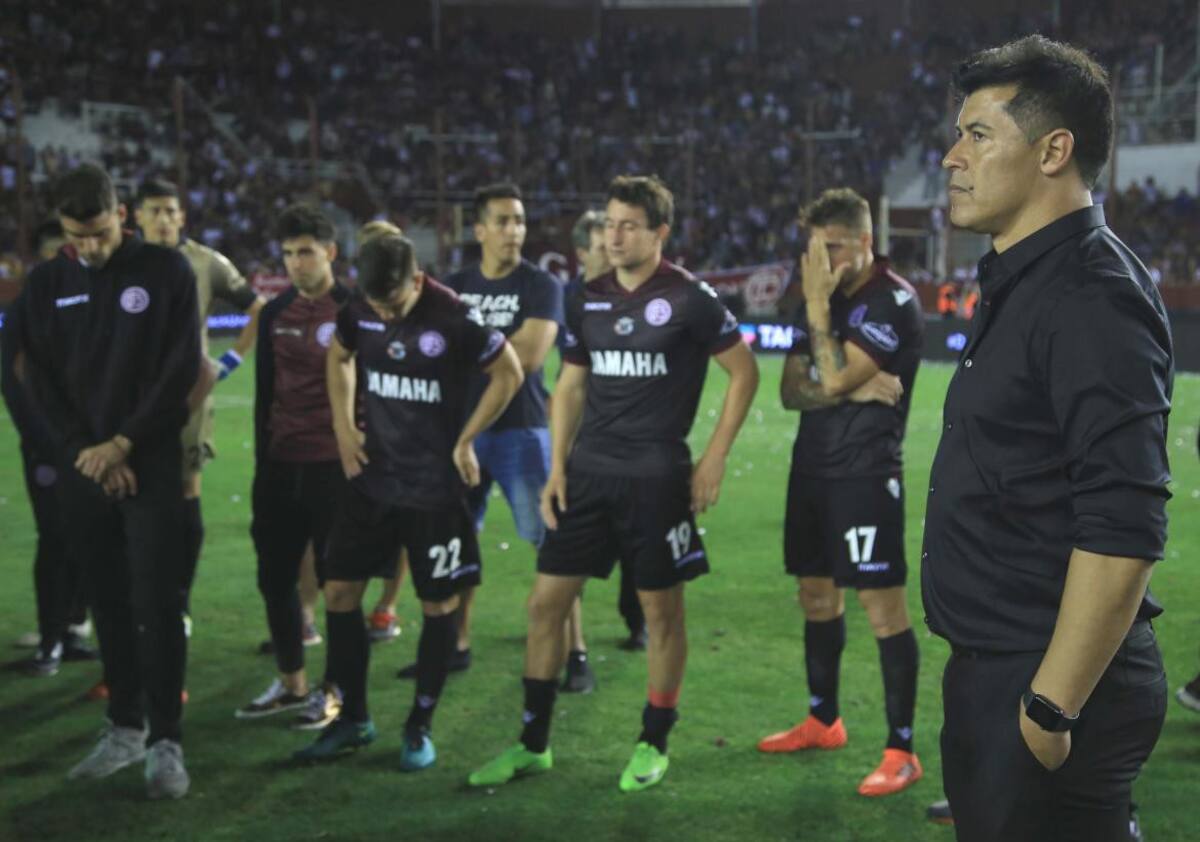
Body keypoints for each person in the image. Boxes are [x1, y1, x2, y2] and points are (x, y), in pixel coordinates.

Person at [925, 36, 1173, 841]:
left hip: (1050, 681)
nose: (952, 156)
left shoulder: (1090, 296)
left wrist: (1047, 707)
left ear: (1053, 150)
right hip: (1003, 667)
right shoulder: (1030, 276)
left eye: (978, 134)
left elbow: (1125, 524)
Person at [468, 175, 759, 792]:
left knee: (661, 612)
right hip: (587, 476)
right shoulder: (587, 296)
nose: (614, 236)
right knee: (544, 604)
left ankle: (654, 742)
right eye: (609, 225)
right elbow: (569, 386)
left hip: (656, 479)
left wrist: (714, 458)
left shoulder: (689, 298)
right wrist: (555, 469)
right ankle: (532, 742)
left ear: (659, 233)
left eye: (629, 225)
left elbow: (744, 373)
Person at [294, 232, 523, 770]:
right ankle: (353, 718)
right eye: (377, 306)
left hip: (434, 489)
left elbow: (508, 372)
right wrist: (344, 426)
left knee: (437, 604)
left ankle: (418, 726)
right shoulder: (359, 309)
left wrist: (466, 439)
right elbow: (340, 355)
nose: (385, 315)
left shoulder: (455, 317)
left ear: (417, 280)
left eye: (394, 304)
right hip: (372, 479)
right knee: (340, 593)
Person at [7, 163, 201, 799]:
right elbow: (23, 374)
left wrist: (123, 443)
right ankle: (124, 726)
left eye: (97, 232)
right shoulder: (47, 283)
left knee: (158, 601)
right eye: (75, 236)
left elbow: (181, 371)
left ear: (121, 215)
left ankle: (167, 741)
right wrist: (79, 449)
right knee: (110, 601)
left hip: (150, 462)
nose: (88, 248)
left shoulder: (165, 271)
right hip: (82, 468)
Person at [759, 187, 925, 797]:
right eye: (814, 250)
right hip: (813, 469)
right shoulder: (816, 294)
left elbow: (822, 374)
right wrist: (852, 387)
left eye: (832, 248)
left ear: (864, 241)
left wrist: (820, 317)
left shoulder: (892, 300)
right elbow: (789, 390)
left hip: (865, 473)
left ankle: (901, 750)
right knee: (814, 594)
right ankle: (823, 720)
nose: (821, 261)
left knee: (882, 609)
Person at [414, 183, 574, 685]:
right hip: (464, 431)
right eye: (503, 221)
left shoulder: (542, 286)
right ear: (479, 229)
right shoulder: (453, 285)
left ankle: (577, 652)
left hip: (521, 432)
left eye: (520, 221)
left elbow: (525, 361)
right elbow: (433, 351)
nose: (514, 231)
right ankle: (455, 643)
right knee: (458, 540)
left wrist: (467, 354)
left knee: (551, 544)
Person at [134, 179, 265, 635]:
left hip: (189, 401)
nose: (164, 219)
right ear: (137, 217)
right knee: (132, 500)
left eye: (171, 210)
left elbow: (258, 307)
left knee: (188, 494)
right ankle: (136, 602)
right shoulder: (124, 263)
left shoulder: (206, 263)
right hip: (130, 402)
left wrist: (227, 362)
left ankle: (179, 601)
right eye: (155, 211)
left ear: (182, 216)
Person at [236, 204, 348, 730]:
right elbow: (265, 398)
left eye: (305, 251)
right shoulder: (275, 313)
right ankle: (291, 681)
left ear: (329, 252)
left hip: (335, 467)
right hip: (281, 467)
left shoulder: (352, 308)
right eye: (287, 253)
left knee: (338, 584)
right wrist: (264, 464)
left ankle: (335, 691)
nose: (296, 262)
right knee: (273, 576)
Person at [2, 220, 96, 676]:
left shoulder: (92, 295)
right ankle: (49, 641)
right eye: (57, 249)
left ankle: (74, 630)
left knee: (87, 536)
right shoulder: (30, 302)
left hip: (91, 443)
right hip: (45, 446)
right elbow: (10, 373)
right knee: (55, 537)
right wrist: (37, 434)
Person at [562, 208, 646, 655]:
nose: (612, 252)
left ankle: (636, 621)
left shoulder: (632, 295)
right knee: (575, 542)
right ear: (581, 254)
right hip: (584, 439)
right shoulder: (569, 301)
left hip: (631, 440)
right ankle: (572, 640)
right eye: (601, 247)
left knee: (635, 539)